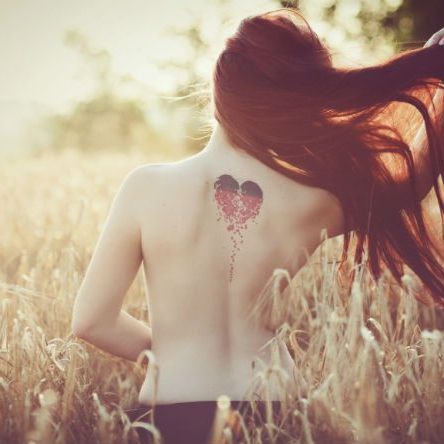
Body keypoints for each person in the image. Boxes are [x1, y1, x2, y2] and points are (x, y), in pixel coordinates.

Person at [70, 7, 444, 444]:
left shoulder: (145, 188)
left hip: (167, 413)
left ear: (219, 90)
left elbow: (91, 321)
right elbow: (410, 178)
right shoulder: (312, 198)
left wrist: (174, 353)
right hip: (275, 411)